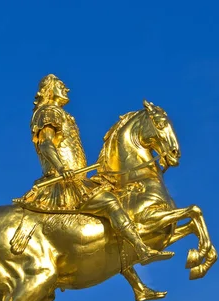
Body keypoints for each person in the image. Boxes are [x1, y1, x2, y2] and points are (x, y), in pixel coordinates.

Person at [14, 74, 170, 265]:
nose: (66, 89)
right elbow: (46, 144)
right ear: (49, 90)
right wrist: (63, 169)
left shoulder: (60, 114)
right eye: (61, 85)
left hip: (75, 179)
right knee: (111, 203)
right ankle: (142, 250)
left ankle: (137, 283)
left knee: (109, 219)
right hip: (65, 183)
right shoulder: (48, 112)